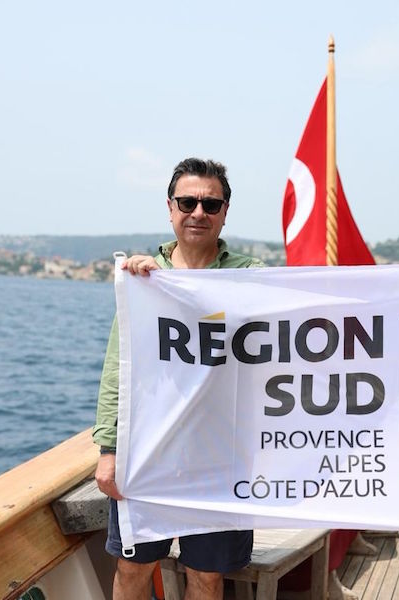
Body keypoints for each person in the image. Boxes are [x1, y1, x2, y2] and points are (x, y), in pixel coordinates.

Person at [93, 157, 264, 600]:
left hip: (221, 458)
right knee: (133, 566)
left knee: (206, 575)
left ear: (225, 212)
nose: (198, 213)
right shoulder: (143, 280)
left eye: (211, 204)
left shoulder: (252, 276)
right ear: (170, 208)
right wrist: (108, 450)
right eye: (187, 202)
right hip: (148, 453)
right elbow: (117, 369)